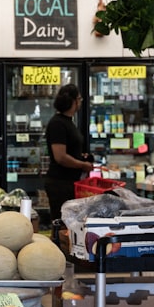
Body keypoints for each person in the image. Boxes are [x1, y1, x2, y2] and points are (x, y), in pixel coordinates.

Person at [44, 83, 94, 222]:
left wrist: (81, 157)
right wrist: (82, 165)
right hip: (60, 183)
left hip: (70, 182)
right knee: (63, 224)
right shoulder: (58, 124)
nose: (80, 102)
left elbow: (69, 150)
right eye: (79, 98)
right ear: (73, 101)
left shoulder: (68, 122)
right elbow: (60, 157)